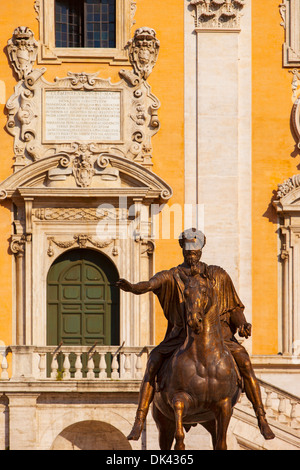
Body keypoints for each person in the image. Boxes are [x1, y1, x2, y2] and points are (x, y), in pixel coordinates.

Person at [116, 228, 275, 441]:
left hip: (219, 337)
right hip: (181, 336)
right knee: (153, 361)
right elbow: (151, 283)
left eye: (195, 250)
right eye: (188, 250)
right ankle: (139, 420)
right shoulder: (173, 275)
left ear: (201, 250)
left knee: (244, 362)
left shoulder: (218, 275)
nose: (192, 254)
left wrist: (243, 323)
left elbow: (234, 307)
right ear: (182, 248)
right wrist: (134, 287)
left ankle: (261, 417)